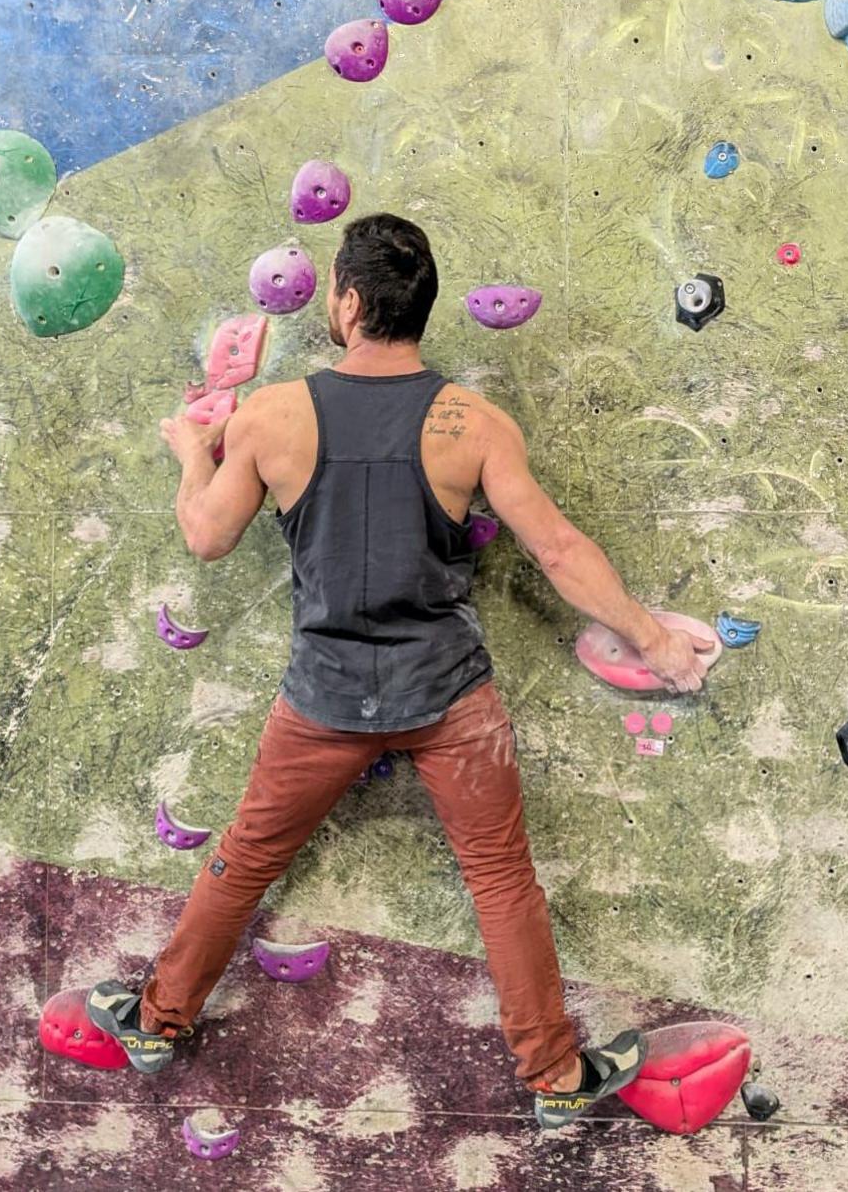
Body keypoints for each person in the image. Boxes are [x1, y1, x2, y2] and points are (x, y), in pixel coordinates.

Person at [83, 212, 716, 1130]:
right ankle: (553, 1075)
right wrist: (650, 636)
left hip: (323, 699)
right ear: (419, 309)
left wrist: (191, 454)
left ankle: (157, 1020)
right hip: (449, 695)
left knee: (246, 860)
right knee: (501, 879)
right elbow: (558, 547)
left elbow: (205, 536)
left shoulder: (271, 415)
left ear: (345, 300)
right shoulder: (473, 422)